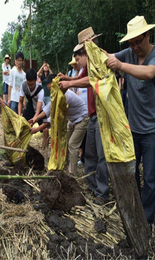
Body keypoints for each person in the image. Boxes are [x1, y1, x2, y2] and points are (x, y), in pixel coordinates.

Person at [107, 15, 155, 228]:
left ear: (148, 35)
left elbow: (149, 73)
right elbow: (108, 58)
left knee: (151, 179)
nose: (135, 47)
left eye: (139, 41)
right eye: (132, 43)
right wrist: (92, 48)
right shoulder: (128, 54)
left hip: (153, 130)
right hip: (132, 129)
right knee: (132, 175)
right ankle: (135, 212)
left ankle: (146, 219)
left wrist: (120, 66)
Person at [58, 27, 109, 205]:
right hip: (93, 114)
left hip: (104, 114)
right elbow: (80, 77)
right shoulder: (88, 63)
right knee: (90, 153)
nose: (82, 53)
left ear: (91, 42)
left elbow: (91, 81)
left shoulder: (101, 59)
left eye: (82, 50)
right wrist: (67, 78)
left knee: (102, 156)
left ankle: (102, 194)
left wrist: (70, 81)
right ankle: (91, 186)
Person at [31, 74, 89, 175]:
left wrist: (38, 128)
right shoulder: (57, 95)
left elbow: (53, 118)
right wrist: (36, 118)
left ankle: (72, 173)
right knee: (64, 141)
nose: (51, 92)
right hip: (72, 120)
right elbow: (48, 109)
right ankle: (63, 165)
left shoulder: (65, 96)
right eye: (49, 89)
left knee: (72, 145)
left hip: (82, 118)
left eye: (52, 89)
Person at [18, 68, 49, 149]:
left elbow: (38, 109)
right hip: (29, 107)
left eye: (32, 84)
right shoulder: (24, 85)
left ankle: (44, 149)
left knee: (45, 129)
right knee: (22, 126)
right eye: (28, 84)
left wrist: (34, 119)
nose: (30, 86)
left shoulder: (40, 90)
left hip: (40, 110)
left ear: (36, 80)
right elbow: (20, 102)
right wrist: (19, 116)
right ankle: (23, 146)